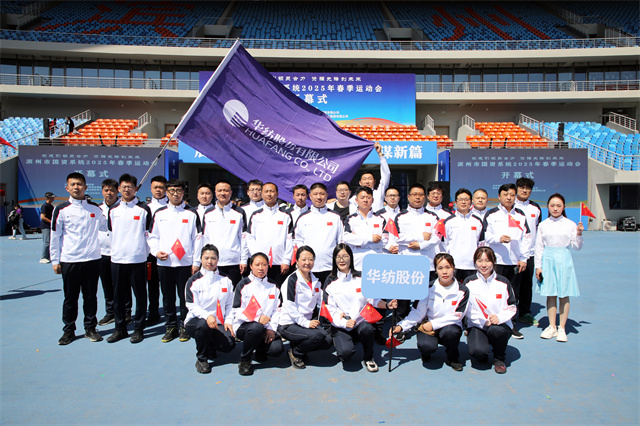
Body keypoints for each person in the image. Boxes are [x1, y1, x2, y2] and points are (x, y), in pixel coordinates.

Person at [50, 172, 106, 345]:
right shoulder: (61, 209)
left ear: (85, 187)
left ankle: (90, 328)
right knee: (70, 298)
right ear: (67, 188)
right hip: (70, 260)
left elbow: (106, 227)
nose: (76, 187)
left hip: (92, 260)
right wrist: (55, 260)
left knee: (90, 297)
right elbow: (55, 236)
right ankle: (69, 330)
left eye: (79, 184)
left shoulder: (95, 209)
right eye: (73, 184)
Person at [324, 244, 397, 372]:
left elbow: (373, 300)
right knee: (345, 354)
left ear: (351, 258)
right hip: (341, 326)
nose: (342, 260)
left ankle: (369, 357)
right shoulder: (330, 282)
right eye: (338, 257)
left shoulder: (361, 278)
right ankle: (348, 341)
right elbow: (330, 310)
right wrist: (344, 322)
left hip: (360, 323)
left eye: (345, 256)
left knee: (367, 329)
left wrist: (387, 305)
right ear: (334, 259)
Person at [390, 253, 469, 371]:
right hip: (427, 326)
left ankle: (453, 357)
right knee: (426, 346)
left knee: (451, 332)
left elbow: (457, 316)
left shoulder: (462, 290)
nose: (444, 272)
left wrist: (433, 324)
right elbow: (418, 313)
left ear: (453, 268)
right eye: (440, 268)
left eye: (448, 267)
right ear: (436, 270)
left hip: (448, 326)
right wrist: (401, 326)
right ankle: (426, 352)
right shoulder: (427, 288)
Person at [148, 179, 201, 343]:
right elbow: (152, 236)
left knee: (184, 297)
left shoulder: (191, 213)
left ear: (183, 193)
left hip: (185, 264)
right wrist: (156, 252)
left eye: (178, 191)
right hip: (165, 263)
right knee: (168, 297)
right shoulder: (159, 213)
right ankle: (170, 326)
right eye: (171, 191)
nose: (175, 194)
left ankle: (184, 325)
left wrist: (196, 262)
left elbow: (198, 239)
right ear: (167, 192)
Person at [480, 183, 532, 339]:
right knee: (493, 293)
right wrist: (498, 238)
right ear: (499, 196)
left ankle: (511, 325)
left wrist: (523, 258)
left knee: (513, 294)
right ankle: (489, 322)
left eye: (512, 195)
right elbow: (485, 236)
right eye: (505, 194)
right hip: (497, 262)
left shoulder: (520, 215)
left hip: (515, 262)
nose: (509, 197)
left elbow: (527, 238)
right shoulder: (491, 214)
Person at [106, 174, 152, 344]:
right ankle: (120, 329)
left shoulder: (143, 209)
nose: (126, 190)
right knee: (118, 296)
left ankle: (139, 329)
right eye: (124, 187)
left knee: (140, 295)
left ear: (136, 189)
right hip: (117, 260)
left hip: (137, 260)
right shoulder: (113, 210)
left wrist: (143, 253)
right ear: (119, 189)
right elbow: (111, 233)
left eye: (130, 187)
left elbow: (149, 235)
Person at [535, 193, 584, 342]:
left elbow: (577, 247)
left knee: (564, 294)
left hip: (564, 259)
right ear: (548, 207)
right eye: (552, 205)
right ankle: (552, 326)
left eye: (558, 206)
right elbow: (539, 247)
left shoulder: (570, 224)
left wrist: (579, 234)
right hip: (548, 260)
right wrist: (538, 267)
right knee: (550, 294)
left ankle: (562, 327)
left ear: (564, 207)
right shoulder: (543, 225)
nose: (555, 208)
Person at [391, 183, 440, 320]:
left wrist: (421, 245)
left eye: (421, 195)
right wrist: (420, 236)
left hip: (427, 264)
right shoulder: (400, 216)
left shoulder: (432, 216)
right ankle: (400, 325)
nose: (417, 197)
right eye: (414, 194)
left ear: (425, 197)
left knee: (425, 299)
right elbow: (397, 237)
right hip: (406, 264)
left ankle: (423, 324)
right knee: (403, 301)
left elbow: (437, 238)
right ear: (408, 197)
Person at [278, 246, 332, 369]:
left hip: (305, 323)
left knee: (328, 340)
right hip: (289, 323)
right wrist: (306, 323)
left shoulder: (315, 281)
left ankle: (299, 346)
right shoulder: (291, 280)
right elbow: (289, 306)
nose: (307, 262)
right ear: (297, 261)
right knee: (317, 337)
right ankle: (295, 353)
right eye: (304, 259)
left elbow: (324, 301)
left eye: (311, 259)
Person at [464, 247, 517, 374]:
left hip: (499, 325)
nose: (483, 265)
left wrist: (499, 317)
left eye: (487, 261)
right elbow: (467, 309)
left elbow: (512, 306)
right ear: (475, 262)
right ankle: (483, 349)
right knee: (478, 353)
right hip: (478, 325)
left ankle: (499, 359)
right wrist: (483, 321)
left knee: (496, 331)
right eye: (479, 261)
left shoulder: (503, 282)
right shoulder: (469, 282)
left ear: (493, 262)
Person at [184, 244, 236, 374]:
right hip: (196, 322)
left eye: (213, 258)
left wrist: (229, 321)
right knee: (203, 326)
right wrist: (207, 316)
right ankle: (202, 358)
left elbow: (230, 304)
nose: (209, 261)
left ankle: (210, 345)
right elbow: (191, 305)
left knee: (229, 345)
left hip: (218, 323)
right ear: (201, 259)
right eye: (206, 258)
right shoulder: (193, 281)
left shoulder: (226, 280)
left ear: (218, 259)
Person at [232, 252, 284, 376]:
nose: (261, 268)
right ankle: (245, 360)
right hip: (245, 326)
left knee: (276, 349)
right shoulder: (243, 285)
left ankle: (260, 349)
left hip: (266, 327)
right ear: (251, 266)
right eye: (257, 264)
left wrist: (271, 328)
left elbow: (278, 310)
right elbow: (236, 310)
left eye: (264, 264)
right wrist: (257, 318)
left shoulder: (273, 286)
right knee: (256, 328)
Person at [292, 182, 344, 285]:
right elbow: (297, 241)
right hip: (309, 267)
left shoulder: (335, 217)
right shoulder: (303, 218)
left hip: (331, 267)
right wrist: (303, 260)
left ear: (327, 195)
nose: (319, 197)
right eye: (315, 194)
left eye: (322, 194)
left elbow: (341, 241)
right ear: (310, 196)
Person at [201, 180, 248, 287]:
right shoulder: (208, 213)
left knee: (232, 292)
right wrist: (205, 260)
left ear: (231, 192)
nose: (222, 193)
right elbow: (205, 238)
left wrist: (243, 260)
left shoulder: (239, 212)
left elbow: (243, 238)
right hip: (213, 262)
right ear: (215, 192)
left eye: (226, 190)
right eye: (220, 190)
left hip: (233, 262)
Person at [97, 179, 131, 327]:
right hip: (103, 253)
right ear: (102, 192)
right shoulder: (98, 209)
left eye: (112, 190)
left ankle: (127, 312)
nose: (109, 193)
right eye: (106, 190)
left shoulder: (124, 208)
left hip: (120, 254)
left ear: (117, 191)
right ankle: (110, 312)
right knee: (107, 285)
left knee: (124, 285)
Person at [245, 182, 293, 287]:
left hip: (280, 263)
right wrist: (257, 258)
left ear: (277, 194)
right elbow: (250, 238)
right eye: (266, 191)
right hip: (260, 265)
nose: (269, 194)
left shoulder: (286, 215)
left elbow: (290, 239)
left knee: (279, 291)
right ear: (262, 194)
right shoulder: (256, 215)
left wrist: (286, 260)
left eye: (272, 191)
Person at [514, 177, 542, 327]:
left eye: (528, 188)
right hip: (512, 254)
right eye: (522, 187)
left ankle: (525, 312)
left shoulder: (535, 208)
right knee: (511, 285)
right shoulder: (510, 206)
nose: (525, 191)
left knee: (526, 285)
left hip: (529, 254)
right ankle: (509, 314)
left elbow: (538, 229)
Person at [442, 188, 484, 282]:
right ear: (456, 202)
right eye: (460, 199)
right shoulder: (449, 221)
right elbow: (444, 243)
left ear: (471, 202)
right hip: (454, 265)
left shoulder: (477, 221)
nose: (463, 202)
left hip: (472, 265)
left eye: (466, 199)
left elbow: (481, 244)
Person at [342, 186, 387, 271]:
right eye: (362, 197)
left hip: (376, 264)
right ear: (356, 200)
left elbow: (384, 241)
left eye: (368, 197)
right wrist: (370, 239)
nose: (365, 200)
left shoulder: (380, 219)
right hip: (357, 264)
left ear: (372, 200)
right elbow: (346, 238)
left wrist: (358, 242)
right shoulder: (351, 219)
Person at [146, 175, 168, 325]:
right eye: (155, 187)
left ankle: (170, 314)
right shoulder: (145, 208)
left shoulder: (172, 206)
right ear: (151, 189)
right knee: (152, 284)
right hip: (151, 255)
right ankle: (153, 312)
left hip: (169, 255)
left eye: (161, 187)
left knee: (168, 287)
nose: (158, 190)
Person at [349, 142, 390, 212]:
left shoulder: (378, 194)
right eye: (364, 179)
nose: (367, 181)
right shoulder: (354, 199)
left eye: (370, 179)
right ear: (360, 183)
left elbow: (386, 175)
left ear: (374, 182)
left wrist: (380, 154)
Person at [39, 192, 56, 262]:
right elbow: (42, 217)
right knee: (47, 242)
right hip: (46, 226)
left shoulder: (51, 206)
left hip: (50, 226)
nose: (54, 198)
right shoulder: (45, 206)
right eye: (52, 197)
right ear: (49, 197)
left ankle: (48, 256)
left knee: (50, 242)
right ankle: (43, 257)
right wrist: (51, 222)